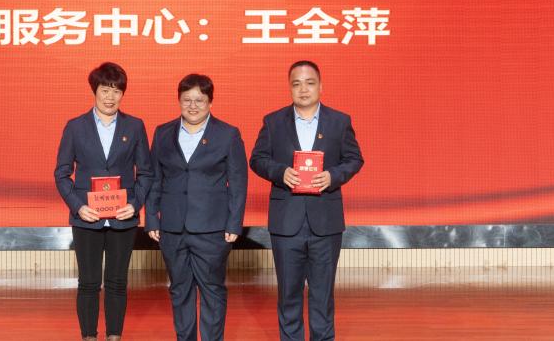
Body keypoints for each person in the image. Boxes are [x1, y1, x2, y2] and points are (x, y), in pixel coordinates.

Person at [249, 61, 364, 341]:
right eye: (297, 83)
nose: (303, 89)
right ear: (289, 88)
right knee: (288, 294)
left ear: (320, 86)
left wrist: (333, 176)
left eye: (310, 83)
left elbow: (354, 159)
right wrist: (280, 172)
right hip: (286, 222)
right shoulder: (273, 122)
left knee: (322, 294)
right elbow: (257, 159)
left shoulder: (339, 121)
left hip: (325, 222)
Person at [55, 62, 153, 341]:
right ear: (94, 91)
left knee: (117, 282)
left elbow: (146, 173)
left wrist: (135, 204)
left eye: (116, 91)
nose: (110, 97)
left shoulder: (134, 126)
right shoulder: (75, 127)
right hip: (87, 218)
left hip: (123, 217)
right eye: (105, 90)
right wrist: (78, 206)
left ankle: (114, 336)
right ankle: (88, 336)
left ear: (123, 93)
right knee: (88, 282)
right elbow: (61, 173)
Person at [146, 74, 248, 341]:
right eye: (187, 100)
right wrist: (152, 218)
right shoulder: (162, 132)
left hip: (213, 229)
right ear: (179, 101)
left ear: (210, 102)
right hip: (172, 227)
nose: (193, 106)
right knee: (179, 290)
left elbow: (238, 182)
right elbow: (154, 179)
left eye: (199, 100)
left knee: (212, 290)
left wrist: (234, 223)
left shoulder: (228, 134)